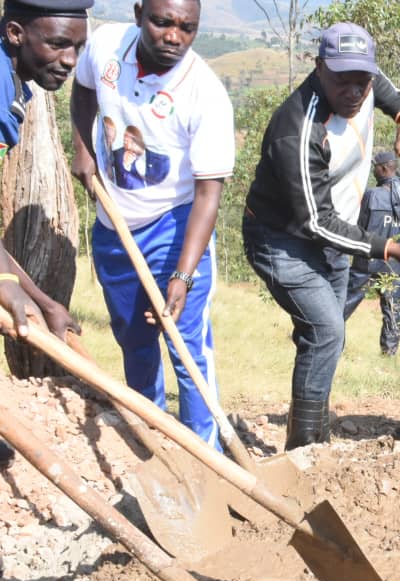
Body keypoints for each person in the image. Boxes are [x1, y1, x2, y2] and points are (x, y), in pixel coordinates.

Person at [243, 22, 400, 449]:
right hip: (282, 238)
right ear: (319, 68)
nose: (354, 91)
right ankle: (306, 444)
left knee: (327, 333)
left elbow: (380, 85)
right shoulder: (299, 130)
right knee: (326, 329)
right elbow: (316, 222)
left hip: (334, 232)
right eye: (342, 79)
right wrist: (390, 248)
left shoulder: (363, 84)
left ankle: (312, 430)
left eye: (360, 79)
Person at [70, 0, 232, 449]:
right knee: (134, 339)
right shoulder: (105, 45)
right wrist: (83, 148)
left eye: (187, 27)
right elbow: (83, 89)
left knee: (187, 347)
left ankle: (205, 456)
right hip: (113, 224)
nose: (174, 37)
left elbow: (208, 193)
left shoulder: (205, 93)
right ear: (139, 12)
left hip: (175, 225)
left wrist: (182, 273)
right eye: (162, 22)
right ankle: (154, 443)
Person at [0, 0, 91, 469]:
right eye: (58, 43)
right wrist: (10, 291)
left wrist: (43, 299)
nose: (71, 60)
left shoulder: (14, 88)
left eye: (78, 46)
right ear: (16, 33)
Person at [343, 150, 400, 356]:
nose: (374, 170)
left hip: (367, 260)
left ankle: (328, 341)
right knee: (393, 311)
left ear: (383, 169)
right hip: (395, 264)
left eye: (375, 167)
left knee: (344, 304)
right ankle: (389, 354)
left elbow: (359, 228)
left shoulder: (372, 195)